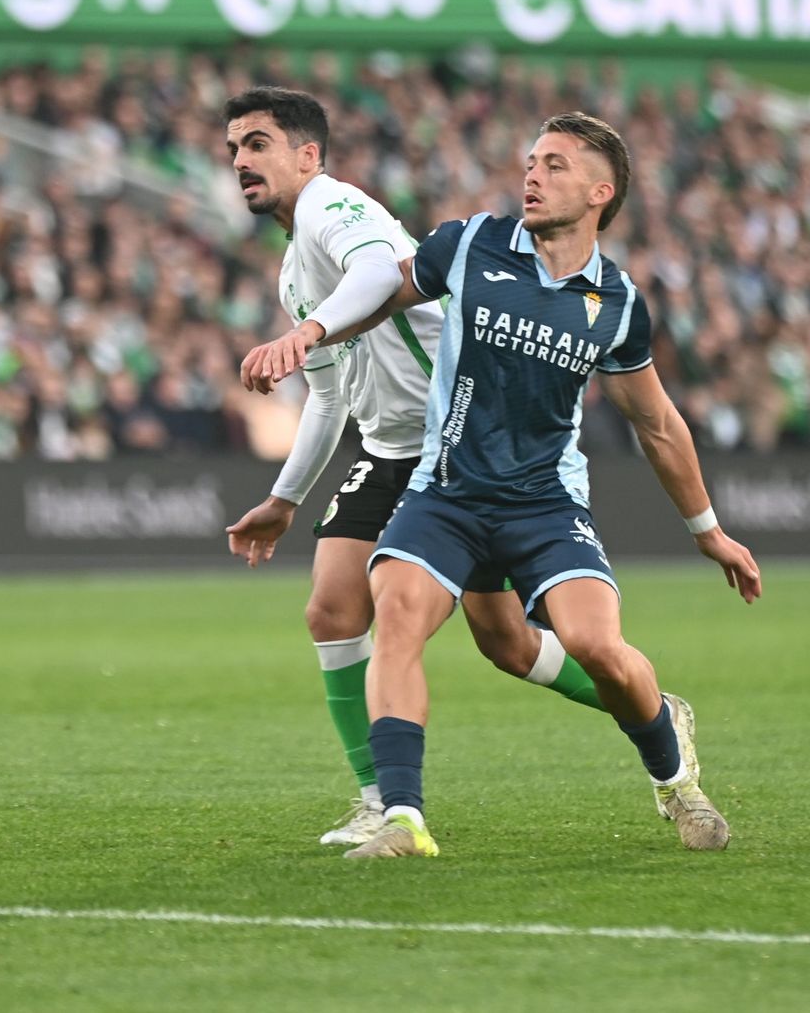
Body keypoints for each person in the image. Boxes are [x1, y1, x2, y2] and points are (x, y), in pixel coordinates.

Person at [246, 110, 762, 859]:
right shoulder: (471, 243)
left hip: (543, 501)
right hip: (445, 491)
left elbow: (657, 424)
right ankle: (401, 816)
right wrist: (312, 332)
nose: (532, 173)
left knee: (591, 643)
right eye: (531, 160)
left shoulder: (615, 303)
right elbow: (381, 291)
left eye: (554, 164)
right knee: (394, 619)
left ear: (598, 192)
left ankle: (675, 778)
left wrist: (709, 531)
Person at [222, 87, 610, 848]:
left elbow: (381, 270)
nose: (240, 161)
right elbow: (330, 397)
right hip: (390, 448)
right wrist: (284, 497)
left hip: (459, 445)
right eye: (234, 148)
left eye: (258, 144)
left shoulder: (334, 208)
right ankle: (378, 799)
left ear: (309, 156)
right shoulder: (294, 270)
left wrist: (308, 329)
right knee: (332, 608)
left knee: (507, 641)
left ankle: (647, 705)